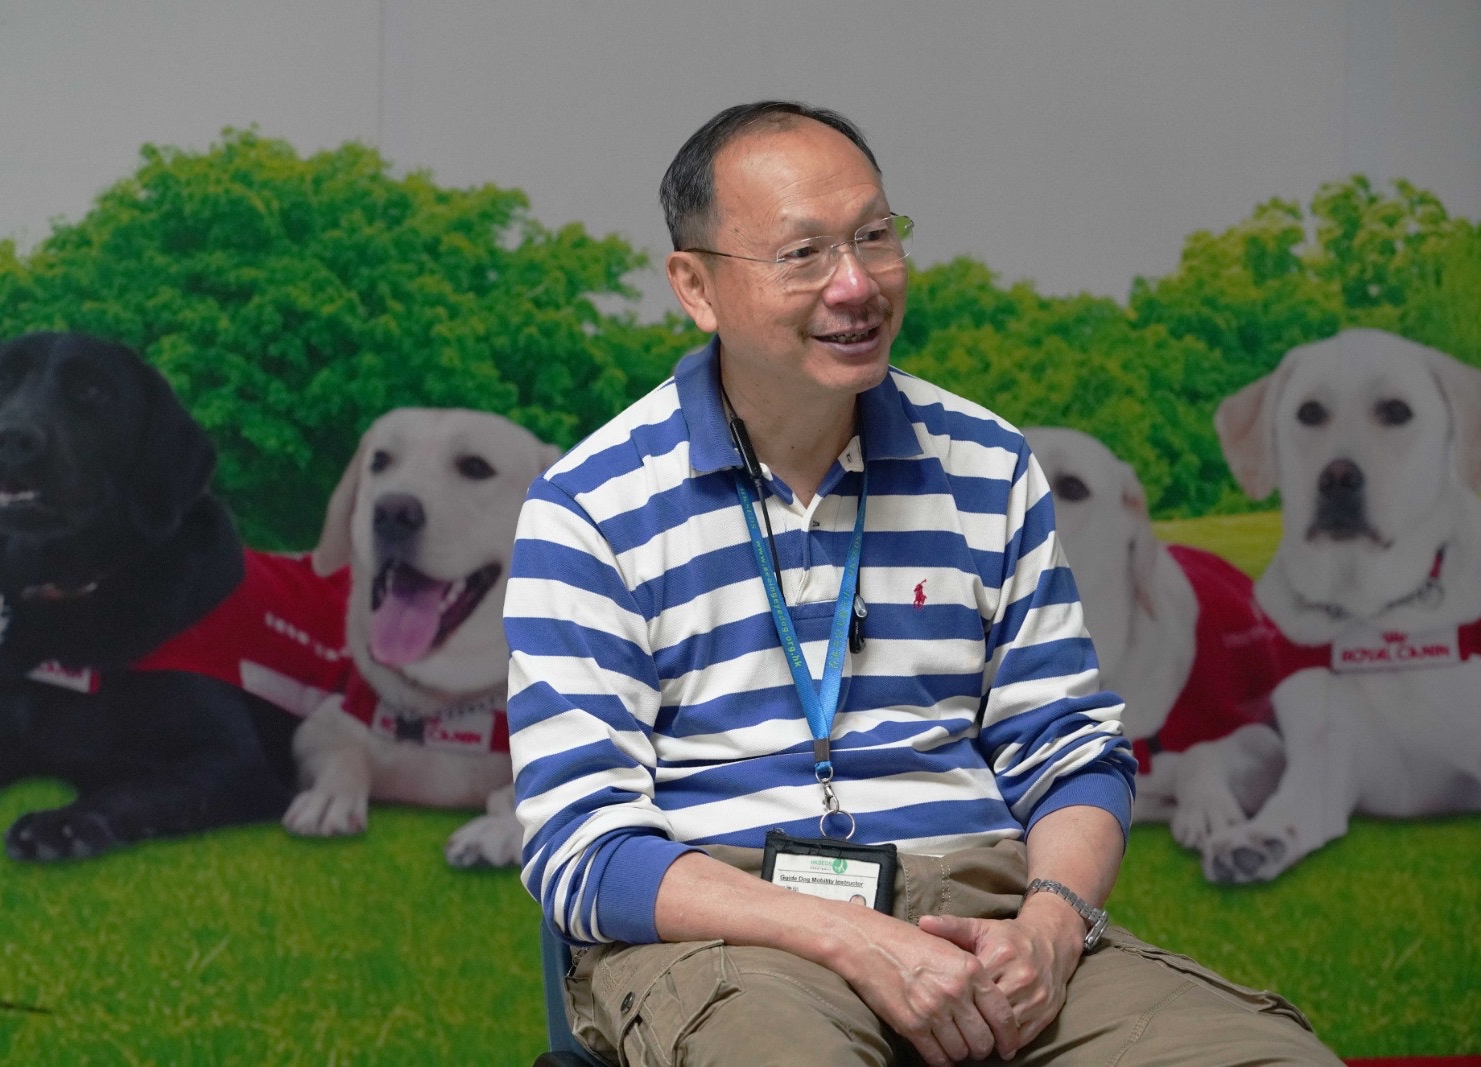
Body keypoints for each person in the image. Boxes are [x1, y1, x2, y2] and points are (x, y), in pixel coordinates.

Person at [503, 101, 1340, 1067]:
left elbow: (1070, 754)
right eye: (803, 254)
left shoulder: (988, 465)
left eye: (874, 237)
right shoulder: (592, 505)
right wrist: (855, 937)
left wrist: (1049, 932)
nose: (856, 284)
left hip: (985, 917)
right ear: (696, 286)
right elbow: (581, 847)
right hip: (734, 937)